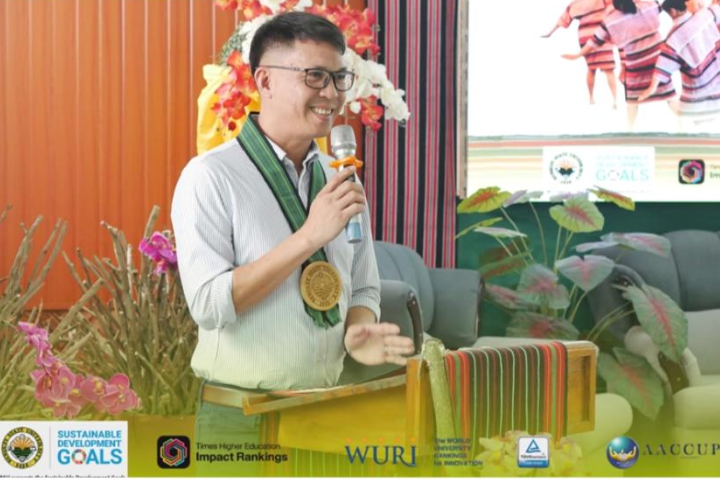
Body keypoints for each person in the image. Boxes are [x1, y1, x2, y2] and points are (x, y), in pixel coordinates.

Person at [171, 11, 415, 475]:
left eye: (338, 78)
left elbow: (363, 286)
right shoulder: (210, 177)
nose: (332, 94)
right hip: (241, 420)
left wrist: (358, 330)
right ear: (265, 80)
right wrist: (308, 237)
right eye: (315, 76)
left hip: (327, 414)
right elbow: (208, 305)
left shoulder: (339, 177)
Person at [563, 0, 676, 129]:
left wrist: (578, 55)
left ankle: (629, 132)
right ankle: (684, 126)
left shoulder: (611, 21)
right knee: (670, 98)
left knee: (632, 103)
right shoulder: (649, 6)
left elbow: (593, 43)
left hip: (636, 68)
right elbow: (662, 7)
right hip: (657, 64)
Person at [639, 0, 720, 124]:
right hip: (716, 77)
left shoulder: (673, 38)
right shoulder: (704, 15)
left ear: (672, 11)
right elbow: (716, 9)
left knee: (687, 118)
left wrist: (651, 87)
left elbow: (664, 64)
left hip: (697, 89)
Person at [543, 0, 619, 107]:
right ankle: (614, 99)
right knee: (608, 68)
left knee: (591, 68)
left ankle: (591, 98)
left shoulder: (575, 3)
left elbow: (563, 19)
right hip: (601, 33)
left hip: (585, 34)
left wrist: (550, 33)